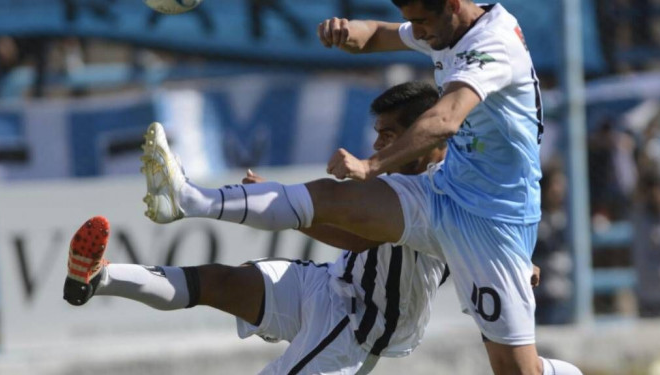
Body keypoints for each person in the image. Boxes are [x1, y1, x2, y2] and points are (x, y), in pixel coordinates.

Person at [136, 1, 581, 373]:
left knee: (516, 370)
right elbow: (381, 34)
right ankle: (189, 197)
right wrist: (348, 32)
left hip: (492, 223)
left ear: (452, 5)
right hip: (443, 191)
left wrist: (372, 165)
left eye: (423, 22)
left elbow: (445, 120)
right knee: (333, 199)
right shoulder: (444, 24)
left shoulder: (493, 45)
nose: (420, 32)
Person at [66, 82, 540, 374]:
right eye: (377, 133)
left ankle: (188, 199)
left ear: (427, 135)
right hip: (330, 286)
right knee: (218, 281)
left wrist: (517, 263)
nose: (378, 143)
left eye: (389, 135)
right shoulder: (402, 179)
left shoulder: (440, 194)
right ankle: (97, 278)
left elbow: (358, 234)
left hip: (358, 327)